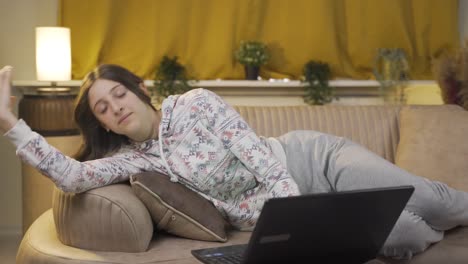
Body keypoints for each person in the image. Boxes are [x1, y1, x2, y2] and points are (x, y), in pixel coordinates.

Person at [1, 64, 467, 260]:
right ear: (104, 125)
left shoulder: (195, 103)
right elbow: (73, 175)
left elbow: (259, 160)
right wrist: (11, 124)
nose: (115, 107)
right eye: (103, 108)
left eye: (119, 94)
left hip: (310, 162)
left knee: (429, 200)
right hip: (301, 205)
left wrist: (301, 219)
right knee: (403, 234)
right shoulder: (133, 162)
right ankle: (434, 228)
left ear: (139, 89)